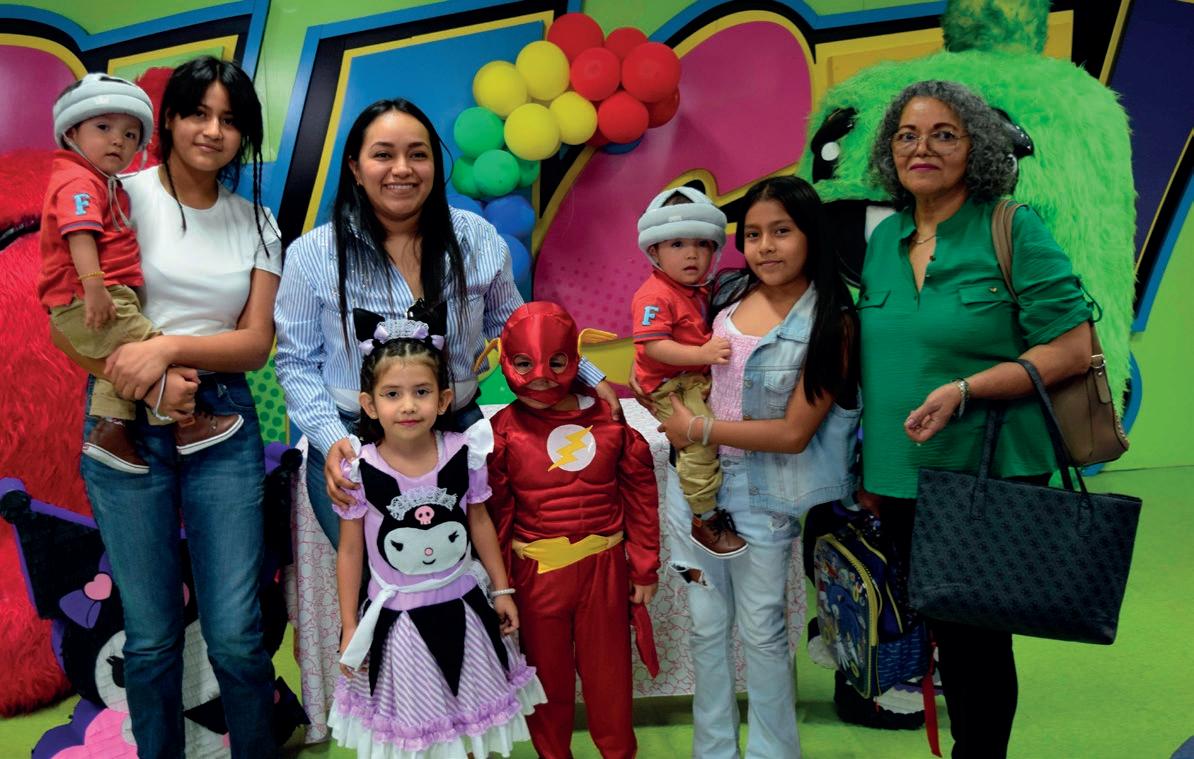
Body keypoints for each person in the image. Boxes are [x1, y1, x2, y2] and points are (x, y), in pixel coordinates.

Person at [51, 56, 282, 758]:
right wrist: (148, 379)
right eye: (197, 113)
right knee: (150, 637)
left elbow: (254, 345)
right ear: (169, 120)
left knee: (236, 633)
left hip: (221, 419)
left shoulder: (258, 222)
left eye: (230, 120)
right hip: (121, 417)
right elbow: (69, 310)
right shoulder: (116, 193)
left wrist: (169, 350)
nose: (213, 131)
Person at [859, 80, 1092, 759]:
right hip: (901, 474)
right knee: (942, 629)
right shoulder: (884, 238)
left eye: (944, 134)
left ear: (976, 148)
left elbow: (1071, 348)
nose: (921, 148)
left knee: (976, 637)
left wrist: (967, 389)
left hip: (989, 469)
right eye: (907, 135)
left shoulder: (1011, 226)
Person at [274, 98, 622, 548]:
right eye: (383, 155)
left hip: (456, 427)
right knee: (375, 577)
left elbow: (514, 326)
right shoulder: (313, 254)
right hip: (354, 436)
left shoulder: (475, 237)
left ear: (435, 166)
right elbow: (297, 362)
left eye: (418, 154)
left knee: (473, 566)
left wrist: (585, 375)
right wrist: (330, 436)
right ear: (356, 169)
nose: (402, 169)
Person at [658, 176, 861, 759]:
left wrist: (700, 429)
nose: (766, 246)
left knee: (763, 630)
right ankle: (713, 751)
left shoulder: (833, 321)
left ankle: (774, 752)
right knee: (704, 626)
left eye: (781, 231)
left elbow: (794, 434)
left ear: (810, 235)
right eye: (752, 234)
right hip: (693, 484)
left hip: (764, 494)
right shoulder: (724, 292)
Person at [328, 303, 544, 758]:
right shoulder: (358, 469)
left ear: (444, 400)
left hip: (465, 609)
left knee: (469, 722)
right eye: (392, 394)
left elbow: (479, 521)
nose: (408, 405)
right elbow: (350, 553)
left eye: (421, 391)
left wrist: (502, 589)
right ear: (369, 404)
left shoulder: (464, 453)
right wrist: (350, 625)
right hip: (400, 622)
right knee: (418, 734)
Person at [37, 73, 241, 474]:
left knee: (126, 357)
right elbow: (79, 234)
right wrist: (95, 289)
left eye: (130, 135)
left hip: (99, 292)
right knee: (157, 356)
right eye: (103, 127)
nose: (118, 141)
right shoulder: (78, 181)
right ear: (71, 132)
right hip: (94, 293)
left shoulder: (102, 182)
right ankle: (187, 425)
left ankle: (111, 431)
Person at [487, 301, 660, 759]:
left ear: (575, 361)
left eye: (557, 363)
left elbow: (640, 496)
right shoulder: (501, 432)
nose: (540, 377)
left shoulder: (610, 421)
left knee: (610, 678)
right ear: (506, 360)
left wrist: (644, 567)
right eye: (524, 364)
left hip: (604, 569)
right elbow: (497, 515)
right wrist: (501, 587)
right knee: (546, 681)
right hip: (536, 573)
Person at [631, 186, 744, 557]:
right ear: (654, 251)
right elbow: (654, 346)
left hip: (694, 377)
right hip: (670, 386)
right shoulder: (654, 295)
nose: (692, 254)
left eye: (702, 244)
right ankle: (704, 515)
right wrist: (702, 353)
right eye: (677, 244)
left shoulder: (700, 288)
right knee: (699, 437)